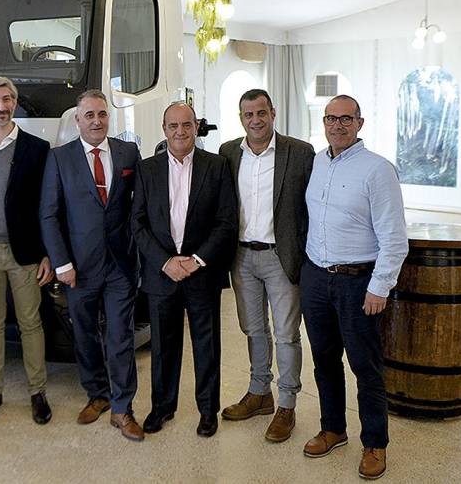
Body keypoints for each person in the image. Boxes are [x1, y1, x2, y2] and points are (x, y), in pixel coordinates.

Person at [301, 95, 408, 480]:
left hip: (358, 282)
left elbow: (395, 238)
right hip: (315, 277)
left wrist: (379, 287)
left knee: (365, 366)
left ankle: (375, 443)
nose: (337, 125)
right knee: (324, 359)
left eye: (346, 119)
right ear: (324, 122)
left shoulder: (378, 170)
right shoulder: (315, 162)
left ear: (360, 123)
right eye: (331, 118)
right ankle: (333, 428)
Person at [39, 90, 144, 441]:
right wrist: (61, 262)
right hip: (78, 267)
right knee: (84, 335)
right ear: (78, 120)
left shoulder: (128, 152)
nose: (97, 121)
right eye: (89, 116)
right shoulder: (59, 158)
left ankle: (122, 408)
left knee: (120, 335)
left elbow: (138, 208)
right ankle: (96, 394)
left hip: (120, 264)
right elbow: (49, 215)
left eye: (102, 114)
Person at [131, 102, 238, 438]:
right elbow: (138, 223)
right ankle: (162, 407)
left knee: (206, 345)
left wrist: (196, 260)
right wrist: (165, 261)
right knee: (163, 345)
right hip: (161, 273)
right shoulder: (147, 169)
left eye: (187, 125)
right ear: (164, 129)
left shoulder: (217, 166)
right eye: (173, 125)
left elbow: (226, 221)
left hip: (201, 272)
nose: (180, 131)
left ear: (196, 127)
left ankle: (208, 411)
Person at [218, 89, 315, 442]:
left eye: (261, 113)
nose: (255, 120)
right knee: (252, 329)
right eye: (248, 115)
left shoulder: (300, 152)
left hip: (281, 255)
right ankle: (260, 392)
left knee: (286, 334)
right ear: (241, 118)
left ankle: (286, 404)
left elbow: (312, 206)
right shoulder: (228, 152)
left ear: (272, 113)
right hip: (242, 257)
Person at [0, 77, 54, 425]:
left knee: (30, 322)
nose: (1, 106)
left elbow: (47, 206)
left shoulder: (38, 148)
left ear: (15, 105)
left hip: (25, 252)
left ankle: (37, 391)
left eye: (7, 100)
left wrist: (49, 253)